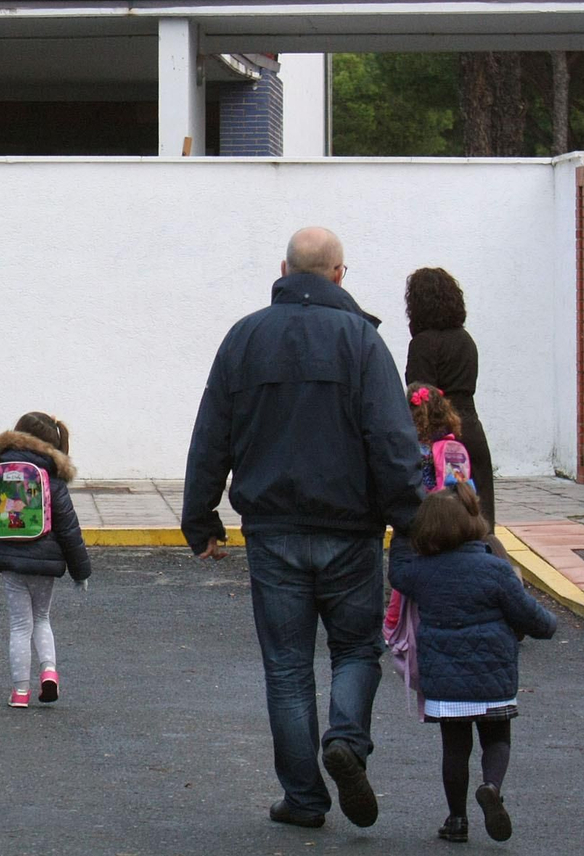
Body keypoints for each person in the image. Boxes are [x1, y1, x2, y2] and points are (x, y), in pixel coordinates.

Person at [181, 226, 423, 830]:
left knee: (287, 668)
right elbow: (392, 441)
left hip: (273, 529)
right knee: (355, 649)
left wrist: (201, 517)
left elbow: (212, 432)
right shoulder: (363, 343)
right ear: (340, 275)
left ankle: (305, 798)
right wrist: (414, 519)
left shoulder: (244, 337)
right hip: (351, 530)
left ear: (284, 269)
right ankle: (346, 740)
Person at [389, 482, 557, 844]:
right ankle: (492, 786)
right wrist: (548, 625)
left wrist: (401, 534)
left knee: (455, 749)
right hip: (493, 677)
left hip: (445, 682)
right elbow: (534, 619)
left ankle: (456, 820)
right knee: (497, 739)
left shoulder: (421, 572)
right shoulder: (494, 569)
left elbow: (397, 572)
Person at [0, 412, 90, 708]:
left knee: (19, 626)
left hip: (10, 562)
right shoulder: (52, 481)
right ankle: (49, 672)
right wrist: (81, 571)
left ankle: (20, 692)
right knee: (42, 619)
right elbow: (69, 528)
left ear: (16, 437)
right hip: (45, 563)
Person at [406, 267, 496, 528]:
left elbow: (420, 396)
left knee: (443, 519)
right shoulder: (466, 340)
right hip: (471, 430)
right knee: (479, 514)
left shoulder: (422, 343)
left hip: (438, 436)